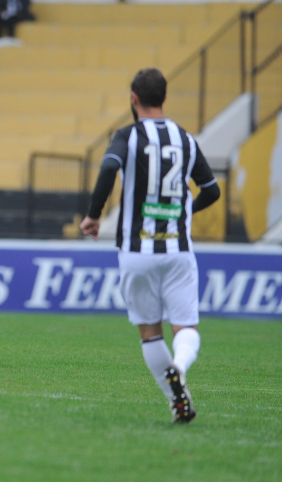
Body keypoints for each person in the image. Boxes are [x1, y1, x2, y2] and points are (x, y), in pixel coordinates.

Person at [79, 68, 220, 424]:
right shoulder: (185, 138)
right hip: (178, 250)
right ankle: (180, 366)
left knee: (149, 332)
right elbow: (212, 190)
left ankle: (177, 401)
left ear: (133, 99)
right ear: (165, 98)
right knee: (186, 328)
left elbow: (109, 167)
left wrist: (93, 215)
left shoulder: (127, 135)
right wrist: (185, 210)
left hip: (136, 252)